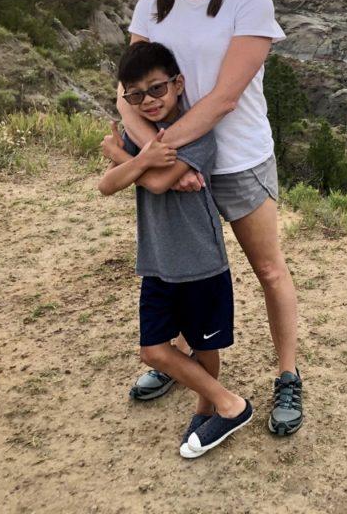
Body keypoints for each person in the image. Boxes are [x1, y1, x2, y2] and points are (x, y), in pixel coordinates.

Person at [105, 0, 303, 436]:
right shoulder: (152, 4)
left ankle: (287, 374)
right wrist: (156, 154)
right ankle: (189, 369)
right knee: (181, 273)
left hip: (236, 159)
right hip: (171, 167)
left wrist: (160, 153)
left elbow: (224, 97)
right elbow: (127, 91)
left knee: (267, 268)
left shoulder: (249, 0)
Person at [99, 41, 253, 458]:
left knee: (205, 345)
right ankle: (229, 403)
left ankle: (207, 409)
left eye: (156, 89)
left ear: (178, 84)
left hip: (201, 260)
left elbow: (157, 183)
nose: (148, 101)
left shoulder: (197, 135)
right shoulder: (145, 142)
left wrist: (121, 156)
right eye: (136, 95)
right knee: (153, 349)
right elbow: (105, 185)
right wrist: (136, 157)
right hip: (158, 261)